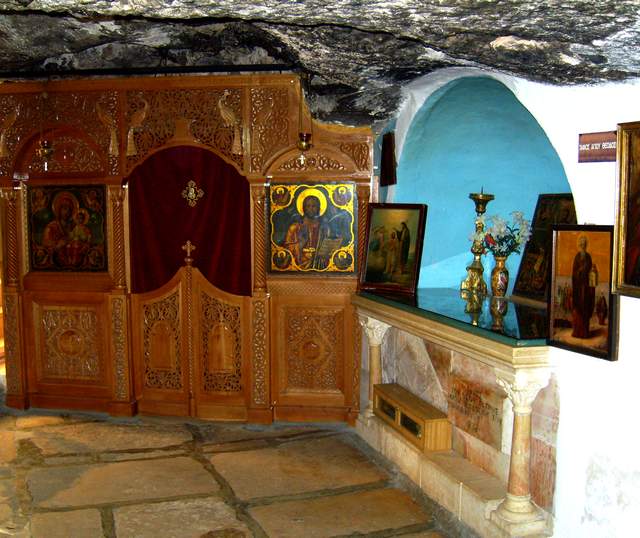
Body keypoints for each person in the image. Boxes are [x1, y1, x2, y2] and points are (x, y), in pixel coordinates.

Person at [283, 193, 330, 270]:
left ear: (319, 208)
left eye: (314, 206)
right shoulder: (294, 228)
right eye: (308, 206)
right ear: (303, 208)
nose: (311, 209)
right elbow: (288, 250)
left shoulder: (324, 228)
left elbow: (328, 251)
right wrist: (300, 244)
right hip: (299, 264)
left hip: (319, 266)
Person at [571, 234, 595, 338]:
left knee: (584, 309)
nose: (582, 245)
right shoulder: (577, 256)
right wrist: (578, 272)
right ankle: (576, 332)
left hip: (585, 288)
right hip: (577, 287)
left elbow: (588, 270)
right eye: (581, 244)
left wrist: (583, 270)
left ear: (586, 245)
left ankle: (584, 333)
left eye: (584, 244)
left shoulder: (588, 257)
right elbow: (574, 272)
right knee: (577, 309)